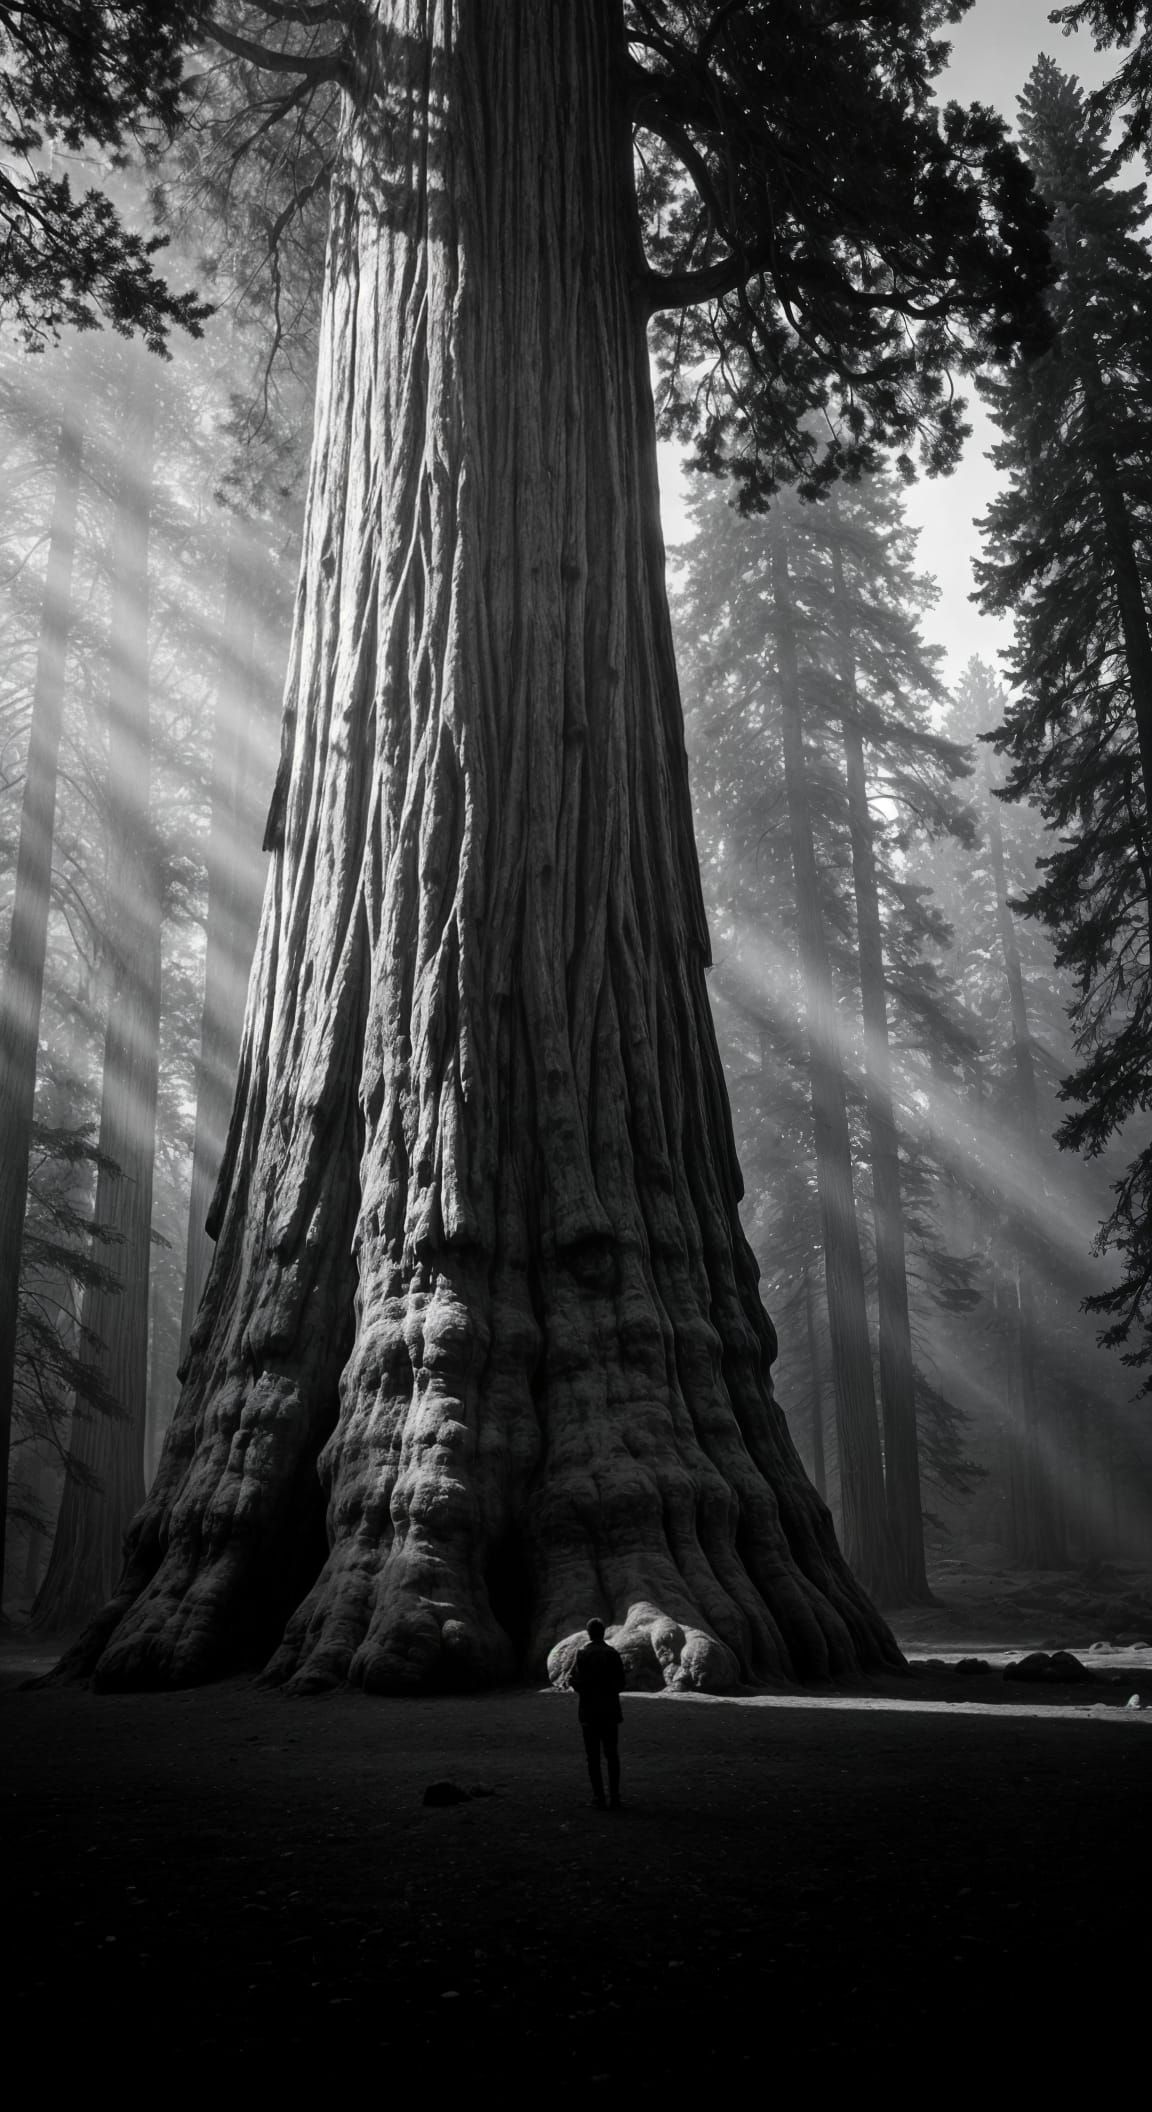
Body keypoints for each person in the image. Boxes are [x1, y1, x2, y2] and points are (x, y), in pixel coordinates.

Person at [570, 1617, 626, 1809]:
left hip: (589, 1713)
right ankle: (615, 1797)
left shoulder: (582, 1655)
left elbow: (576, 1682)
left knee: (592, 1757)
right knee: (612, 1755)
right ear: (603, 1633)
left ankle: (598, 1797)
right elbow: (621, 1683)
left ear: (588, 1633)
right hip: (610, 1711)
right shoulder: (612, 1654)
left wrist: (579, 1686)